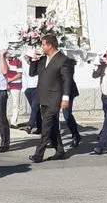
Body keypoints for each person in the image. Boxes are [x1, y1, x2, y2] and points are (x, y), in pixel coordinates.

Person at [26, 35, 74, 164]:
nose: (42, 47)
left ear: (50, 46)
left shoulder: (63, 60)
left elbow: (67, 81)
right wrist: (34, 60)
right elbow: (32, 73)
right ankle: (60, 151)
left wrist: (65, 98)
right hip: (43, 97)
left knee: (46, 125)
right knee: (52, 126)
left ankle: (39, 154)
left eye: (43, 45)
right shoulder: (43, 59)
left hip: (55, 97)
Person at [6, 53, 24, 128]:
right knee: (4, 103)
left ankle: (14, 122)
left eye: (9, 56)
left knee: (15, 104)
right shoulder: (5, 61)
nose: (8, 57)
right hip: (6, 85)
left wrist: (9, 80)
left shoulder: (17, 62)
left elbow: (19, 74)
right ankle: (6, 120)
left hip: (15, 85)